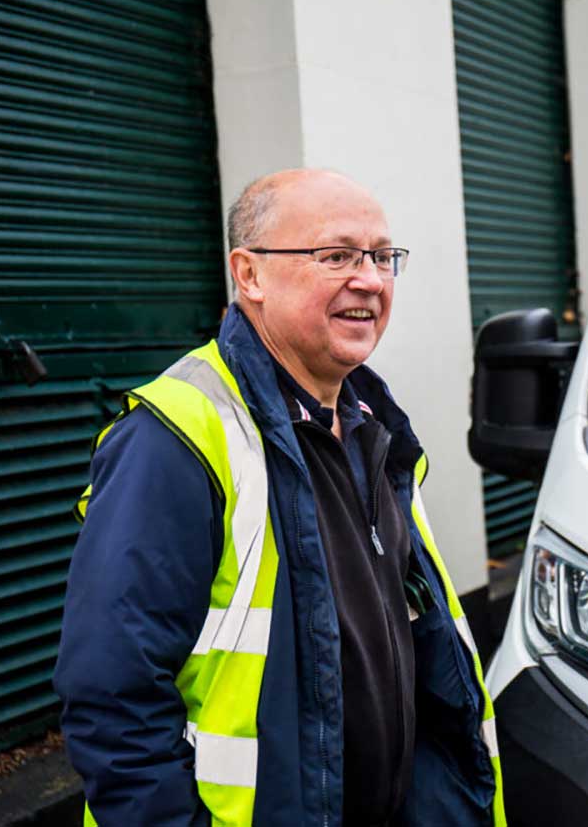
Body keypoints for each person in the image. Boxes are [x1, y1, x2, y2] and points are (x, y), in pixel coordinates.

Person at [54, 169, 504, 826]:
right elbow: (113, 698)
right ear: (250, 274)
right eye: (337, 256)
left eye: (382, 257)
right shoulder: (175, 438)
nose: (371, 280)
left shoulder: (373, 429)